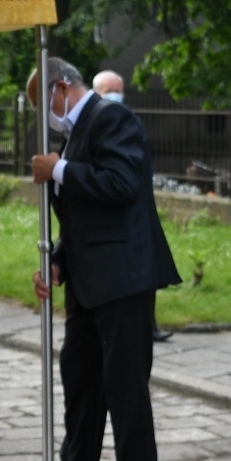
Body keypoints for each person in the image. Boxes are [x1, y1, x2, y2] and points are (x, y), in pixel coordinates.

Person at [27, 58, 181, 461]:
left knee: (125, 391)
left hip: (124, 277)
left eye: (41, 105)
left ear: (61, 86)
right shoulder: (73, 133)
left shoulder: (112, 117)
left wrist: (61, 170)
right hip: (90, 279)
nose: (42, 117)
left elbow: (121, 185)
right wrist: (58, 259)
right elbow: (80, 217)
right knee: (81, 380)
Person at [92, 69, 172, 344]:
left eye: (118, 89)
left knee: (146, 268)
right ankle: (142, 327)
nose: (115, 95)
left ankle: (150, 325)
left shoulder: (131, 120)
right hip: (115, 212)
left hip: (140, 207)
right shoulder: (93, 125)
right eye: (108, 90)